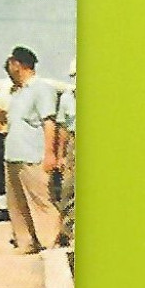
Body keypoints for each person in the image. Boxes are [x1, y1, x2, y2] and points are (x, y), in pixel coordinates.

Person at [3, 46, 61, 253]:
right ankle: (26, 242)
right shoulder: (17, 93)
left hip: (33, 155)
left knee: (40, 200)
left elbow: (49, 122)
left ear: (17, 64)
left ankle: (50, 241)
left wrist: (50, 153)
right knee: (17, 204)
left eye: (10, 64)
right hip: (13, 154)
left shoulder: (42, 89)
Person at [55, 58, 77, 247]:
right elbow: (62, 127)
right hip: (73, 141)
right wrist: (61, 154)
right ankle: (69, 232)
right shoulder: (67, 97)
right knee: (68, 189)